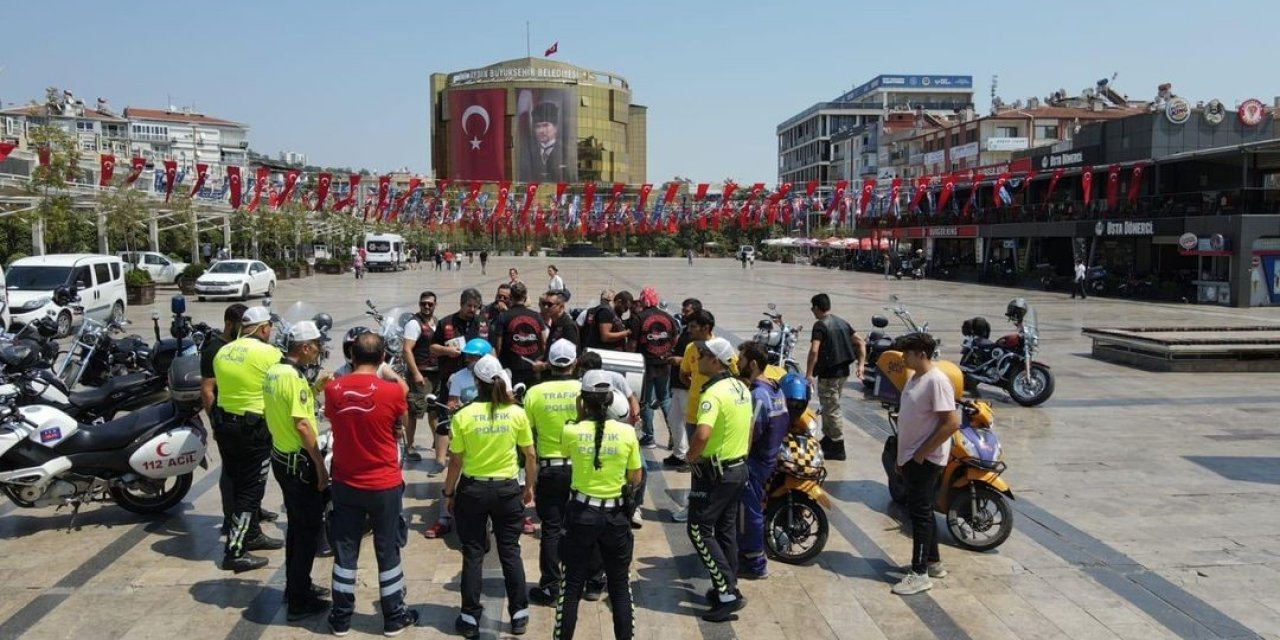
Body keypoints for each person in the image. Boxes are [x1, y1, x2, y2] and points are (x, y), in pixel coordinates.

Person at [324, 333, 419, 635]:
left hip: (345, 482)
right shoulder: (392, 392)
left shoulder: (333, 389)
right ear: (382, 359)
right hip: (384, 483)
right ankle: (393, 616)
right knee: (387, 549)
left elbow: (335, 420)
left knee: (345, 550)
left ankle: (340, 617)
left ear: (351, 355)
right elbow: (401, 424)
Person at [442, 355, 537, 638]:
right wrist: (528, 485)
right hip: (507, 489)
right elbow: (530, 454)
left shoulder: (463, 416)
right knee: (510, 550)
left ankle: (470, 616)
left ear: (476, 382)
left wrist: (448, 492)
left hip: (472, 490)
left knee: (472, 553)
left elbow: (455, 461)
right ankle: (519, 613)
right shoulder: (516, 413)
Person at [552, 370, 643, 639]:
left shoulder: (571, 431)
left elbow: (567, 453)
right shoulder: (627, 433)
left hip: (581, 514)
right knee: (619, 587)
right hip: (615, 516)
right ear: (610, 399)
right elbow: (635, 477)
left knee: (570, 589)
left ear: (583, 401)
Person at [263, 321, 332, 621]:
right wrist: (319, 465)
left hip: (281, 457)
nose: (318, 350)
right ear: (305, 348)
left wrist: (316, 387)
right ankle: (299, 602)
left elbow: (289, 405)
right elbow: (303, 425)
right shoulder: (292, 377)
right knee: (307, 532)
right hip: (298, 464)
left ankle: (296, 586)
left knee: (296, 528)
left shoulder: (276, 372)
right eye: (316, 345)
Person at [211, 306, 285, 572]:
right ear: (263, 328)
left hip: (224, 425)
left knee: (235, 482)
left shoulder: (224, 351)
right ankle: (236, 550)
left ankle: (251, 534)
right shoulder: (269, 353)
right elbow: (283, 385)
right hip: (252, 430)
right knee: (250, 492)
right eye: (270, 327)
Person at [686, 337, 752, 622]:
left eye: (702, 354)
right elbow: (749, 427)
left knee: (699, 530)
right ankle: (728, 585)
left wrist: (691, 457)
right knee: (724, 530)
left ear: (715, 361)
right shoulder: (741, 387)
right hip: (737, 468)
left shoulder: (712, 393)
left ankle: (727, 593)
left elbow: (702, 434)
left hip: (716, 473)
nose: (697, 357)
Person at [201, 303, 278, 536]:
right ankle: (235, 524)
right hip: (240, 424)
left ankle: (249, 516)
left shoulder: (230, 349)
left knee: (248, 480)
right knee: (236, 478)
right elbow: (207, 390)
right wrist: (214, 421)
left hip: (232, 422)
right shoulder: (215, 349)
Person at [891, 333, 959, 596]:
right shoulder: (914, 377)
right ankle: (933, 562)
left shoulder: (936, 381)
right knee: (924, 510)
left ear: (921, 353)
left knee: (918, 515)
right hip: (910, 458)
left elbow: (951, 423)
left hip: (925, 461)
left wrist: (920, 453)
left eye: (907, 353)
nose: (903, 357)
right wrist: (902, 457)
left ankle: (919, 573)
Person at [523, 339, 582, 606]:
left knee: (551, 528)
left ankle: (550, 585)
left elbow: (528, 440)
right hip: (581, 468)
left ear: (549, 362)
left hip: (549, 470)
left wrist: (529, 481)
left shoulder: (535, 393)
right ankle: (588, 581)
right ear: (574, 362)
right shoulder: (584, 389)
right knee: (582, 527)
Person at [424, 338, 495, 539]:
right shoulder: (458, 377)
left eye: (475, 357)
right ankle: (444, 517)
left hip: (492, 433)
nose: (470, 360)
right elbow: (452, 401)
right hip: (465, 431)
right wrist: (456, 406)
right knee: (453, 472)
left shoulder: (500, 376)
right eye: (468, 356)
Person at [735, 342, 790, 581]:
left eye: (741, 360)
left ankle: (755, 562)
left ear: (753, 364)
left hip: (756, 463)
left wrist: (739, 458)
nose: (738, 364)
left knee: (750, 512)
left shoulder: (758, 394)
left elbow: (751, 431)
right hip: (769, 458)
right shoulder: (776, 390)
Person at [672, 308, 733, 522]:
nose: (689, 331)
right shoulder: (691, 348)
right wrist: (695, 390)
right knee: (697, 466)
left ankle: (716, 506)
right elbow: (683, 372)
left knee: (716, 463)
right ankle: (694, 505)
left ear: (706, 328)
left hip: (717, 416)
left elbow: (735, 375)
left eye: (693, 327)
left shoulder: (721, 348)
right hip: (694, 415)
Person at [805, 293, 866, 461]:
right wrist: (861, 365)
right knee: (828, 405)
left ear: (817, 308)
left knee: (832, 409)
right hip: (842, 373)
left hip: (829, 374)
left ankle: (838, 446)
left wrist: (809, 373)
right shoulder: (842, 323)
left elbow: (814, 350)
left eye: (812, 308)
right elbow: (861, 342)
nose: (812, 311)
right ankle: (829, 439)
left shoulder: (820, 325)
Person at [634, 287, 677, 450]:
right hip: (663, 364)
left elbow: (632, 343)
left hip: (645, 365)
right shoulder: (668, 317)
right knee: (665, 398)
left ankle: (649, 436)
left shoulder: (639, 318)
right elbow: (674, 339)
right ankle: (674, 434)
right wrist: (665, 353)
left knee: (645, 400)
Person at [402, 290, 440, 464]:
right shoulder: (413, 324)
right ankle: (409, 446)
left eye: (430, 304)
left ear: (435, 305)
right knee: (414, 411)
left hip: (436, 373)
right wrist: (416, 373)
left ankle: (439, 444)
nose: (426, 307)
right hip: (421, 374)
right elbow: (407, 349)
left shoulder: (436, 323)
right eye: (423, 303)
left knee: (435, 411)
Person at [663, 298, 701, 469]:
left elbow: (700, 360)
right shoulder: (686, 331)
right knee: (674, 419)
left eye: (687, 311)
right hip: (678, 382)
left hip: (689, 385)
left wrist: (680, 360)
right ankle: (680, 453)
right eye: (683, 310)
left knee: (690, 422)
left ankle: (691, 458)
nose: (684, 313)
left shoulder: (699, 337)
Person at [494, 282, 547, 390]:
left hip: (511, 368)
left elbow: (498, 346)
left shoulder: (503, 317)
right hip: (533, 367)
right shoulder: (536, 316)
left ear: (511, 297)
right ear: (525, 297)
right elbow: (544, 342)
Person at [524, 101, 566, 182]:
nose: (541, 131)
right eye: (538, 126)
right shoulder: (530, 153)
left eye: (546, 125)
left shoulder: (564, 152)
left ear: (555, 128)